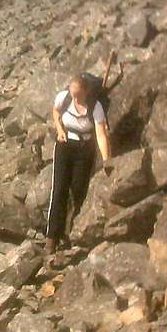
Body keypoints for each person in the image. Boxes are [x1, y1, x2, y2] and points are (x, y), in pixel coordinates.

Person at [45, 73, 112, 254]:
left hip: (84, 149)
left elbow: (101, 134)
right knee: (59, 189)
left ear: (86, 91)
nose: (75, 98)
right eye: (73, 93)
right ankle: (51, 238)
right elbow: (56, 111)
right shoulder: (64, 97)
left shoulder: (95, 106)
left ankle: (70, 232)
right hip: (65, 144)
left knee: (78, 190)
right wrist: (59, 129)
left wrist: (107, 160)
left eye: (78, 94)